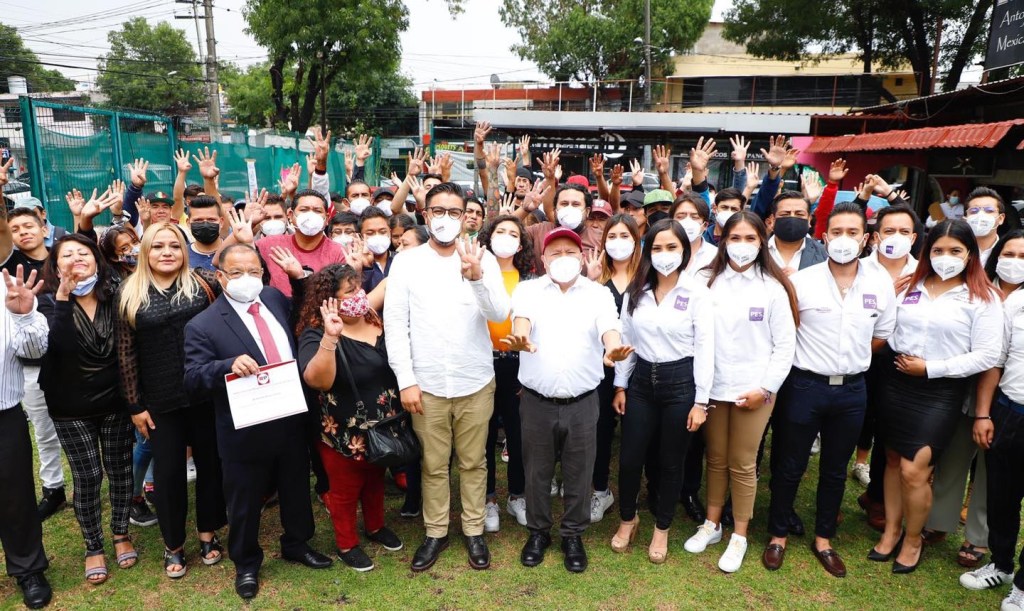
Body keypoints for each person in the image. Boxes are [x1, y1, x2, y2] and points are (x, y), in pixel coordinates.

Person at [183, 244, 333, 600]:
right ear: (220, 277)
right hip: (245, 427)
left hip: (290, 414)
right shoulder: (202, 325)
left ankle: (297, 542)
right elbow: (192, 378)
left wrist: (298, 279)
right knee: (245, 498)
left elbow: (302, 315)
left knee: (295, 484)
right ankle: (247, 562)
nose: (246, 279)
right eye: (236, 273)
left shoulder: (273, 298)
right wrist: (226, 366)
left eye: (253, 271)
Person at [762, 202, 897, 578]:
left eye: (852, 232)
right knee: (790, 465)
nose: (844, 239)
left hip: (852, 391)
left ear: (866, 239)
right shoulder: (802, 281)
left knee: (835, 469)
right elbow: (786, 332)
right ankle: (777, 535)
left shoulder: (880, 283)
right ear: (823, 237)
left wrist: (848, 360)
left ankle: (824, 538)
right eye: (836, 232)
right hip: (804, 385)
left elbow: (881, 336)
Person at [384, 182, 510, 572]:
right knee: (433, 465)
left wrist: (476, 277)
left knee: (474, 462)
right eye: (438, 211)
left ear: (466, 217)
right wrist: (406, 380)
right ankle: (436, 531)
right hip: (427, 385)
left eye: (454, 212)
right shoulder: (407, 262)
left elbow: (499, 313)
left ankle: (473, 530)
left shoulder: (482, 258)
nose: (446, 219)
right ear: (426, 214)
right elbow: (395, 324)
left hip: (475, 381)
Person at [871, 220, 1001, 574]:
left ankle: (913, 539)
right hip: (896, 382)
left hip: (940, 392)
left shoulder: (982, 297)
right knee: (893, 459)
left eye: (955, 250)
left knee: (915, 470)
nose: (946, 257)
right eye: (938, 250)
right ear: (927, 252)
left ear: (970, 254)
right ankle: (891, 531)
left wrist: (931, 368)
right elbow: (887, 327)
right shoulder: (909, 285)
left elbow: (987, 355)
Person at [501, 226, 630, 573]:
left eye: (570, 252)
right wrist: (521, 337)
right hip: (537, 402)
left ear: (582, 257)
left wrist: (612, 347)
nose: (563, 258)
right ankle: (538, 532)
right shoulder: (529, 289)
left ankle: (572, 534)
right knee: (536, 471)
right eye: (555, 253)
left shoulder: (597, 293)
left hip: (583, 402)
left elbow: (609, 326)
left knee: (579, 472)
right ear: (543, 259)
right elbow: (522, 320)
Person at [683, 211, 797, 573]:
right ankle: (712, 524)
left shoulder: (772, 287)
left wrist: (766, 388)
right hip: (714, 387)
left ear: (762, 242)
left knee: (743, 462)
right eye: (735, 238)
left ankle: (740, 535)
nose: (742, 245)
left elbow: (785, 346)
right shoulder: (705, 280)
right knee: (716, 458)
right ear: (722, 240)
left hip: (755, 389)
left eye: (750, 238)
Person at [116, 223, 227, 580]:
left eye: (175, 246)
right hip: (159, 400)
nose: (167, 252)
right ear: (146, 252)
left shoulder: (203, 283)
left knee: (211, 465)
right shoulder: (129, 292)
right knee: (168, 474)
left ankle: (208, 532)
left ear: (184, 250)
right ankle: (173, 543)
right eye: (158, 246)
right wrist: (135, 405)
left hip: (205, 393)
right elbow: (126, 353)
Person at [609, 219, 711, 564]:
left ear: (684, 251)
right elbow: (626, 341)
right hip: (640, 382)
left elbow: (706, 348)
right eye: (657, 248)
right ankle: (628, 519)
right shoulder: (636, 291)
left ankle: (662, 527)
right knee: (629, 458)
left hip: (680, 383)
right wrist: (620, 384)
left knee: (671, 461)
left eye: (672, 247)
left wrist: (701, 402)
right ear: (647, 252)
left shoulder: (697, 293)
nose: (664, 254)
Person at [38, 235, 136, 585]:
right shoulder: (45, 301)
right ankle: (93, 544)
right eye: (67, 255)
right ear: (55, 266)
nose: (77, 258)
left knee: (120, 469)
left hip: (115, 402)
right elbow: (57, 346)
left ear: (97, 260)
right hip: (70, 407)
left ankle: (121, 533)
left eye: (84, 253)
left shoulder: (115, 295)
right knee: (88, 475)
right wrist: (64, 297)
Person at [297, 264, 404, 571]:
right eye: (350, 292)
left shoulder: (373, 317)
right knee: (345, 489)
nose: (359, 295)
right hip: (344, 430)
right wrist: (330, 338)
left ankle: (375, 526)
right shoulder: (316, 332)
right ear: (329, 300)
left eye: (359, 288)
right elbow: (317, 380)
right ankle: (347, 543)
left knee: (375, 479)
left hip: (384, 424)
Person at [959, 263, 1024, 608]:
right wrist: (983, 413)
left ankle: (1022, 588)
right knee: (1002, 497)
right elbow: (996, 361)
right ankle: (1001, 564)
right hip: (1010, 411)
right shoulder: (1017, 302)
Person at [0, 205, 66, 521]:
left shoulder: (64, 257)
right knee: (43, 430)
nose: (23, 232)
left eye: (29, 225)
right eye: (15, 229)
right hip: (32, 366)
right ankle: (54, 489)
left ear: (43, 228)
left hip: (74, 361)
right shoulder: (10, 267)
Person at [856, 205, 921, 528]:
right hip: (861, 354)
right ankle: (831, 496)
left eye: (903, 231)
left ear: (914, 237)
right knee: (853, 423)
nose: (896, 237)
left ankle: (877, 498)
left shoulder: (924, 271)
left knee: (889, 432)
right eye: (889, 231)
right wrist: (886, 297)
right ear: (876, 236)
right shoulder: (859, 268)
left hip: (901, 362)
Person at [0, 263, 53, 609]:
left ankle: (28, 568)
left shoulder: (9, 287)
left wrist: (23, 316)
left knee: (14, 494)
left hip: (3, 412)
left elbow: (35, 352)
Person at [478, 215, 535, 533]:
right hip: (482, 362)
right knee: (484, 435)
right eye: (500, 231)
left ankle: (517, 495)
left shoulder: (529, 280)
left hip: (517, 363)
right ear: (488, 237)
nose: (506, 237)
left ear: (521, 244)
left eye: (513, 233)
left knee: (518, 433)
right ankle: (488, 499)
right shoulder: (476, 273)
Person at [590, 214, 642, 523]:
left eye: (625, 236)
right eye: (612, 236)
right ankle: (599, 489)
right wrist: (588, 280)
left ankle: (634, 494)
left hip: (639, 366)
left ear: (636, 240)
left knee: (636, 433)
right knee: (600, 429)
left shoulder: (647, 276)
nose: (618, 242)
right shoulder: (596, 277)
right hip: (602, 366)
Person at [765, 191, 827, 275]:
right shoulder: (757, 250)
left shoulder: (824, 254)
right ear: (772, 220)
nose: (792, 218)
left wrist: (799, 279)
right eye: (785, 214)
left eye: (799, 214)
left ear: (809, 220)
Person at [964, 187, 1006, 263]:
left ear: (1001, 219)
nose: (980, 215)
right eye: (974, 211)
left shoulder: (1008, 251)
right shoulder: (955, 250)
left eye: (989, 210)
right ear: (965, 218)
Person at [186, 196, 226, 271]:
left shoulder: (235, 252)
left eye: (211, 219)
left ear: (221, 222)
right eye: (198, 220)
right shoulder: (181, 255)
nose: (205, 225)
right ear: (188, 223)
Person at [358, 207, 393, 292]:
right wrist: (367, 268)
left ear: (390, 233)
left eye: (383, 232)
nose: (377, 236)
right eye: (370, 233)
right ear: (361, 236)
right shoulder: (356, 265)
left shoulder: (401, 259)